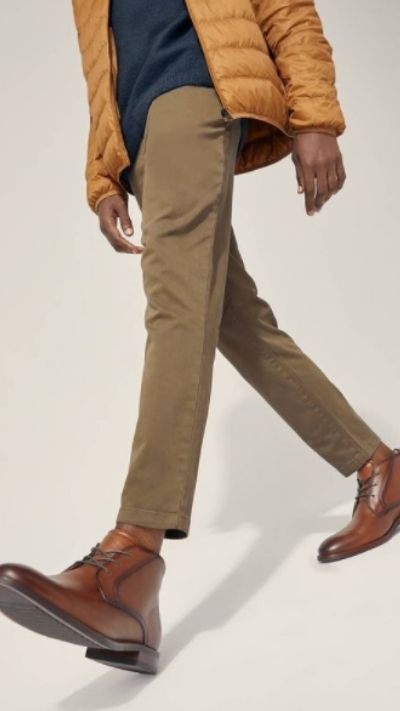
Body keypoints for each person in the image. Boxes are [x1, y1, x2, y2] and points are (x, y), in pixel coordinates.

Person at [0, 0, 399, 675]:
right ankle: (379, 467)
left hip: (191, 92)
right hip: (142, 137)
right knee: (233, 318)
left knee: (177, 310)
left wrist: (315, 117)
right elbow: (103, 61)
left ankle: (129, 560)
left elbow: (284, 9)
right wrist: (104, 172)